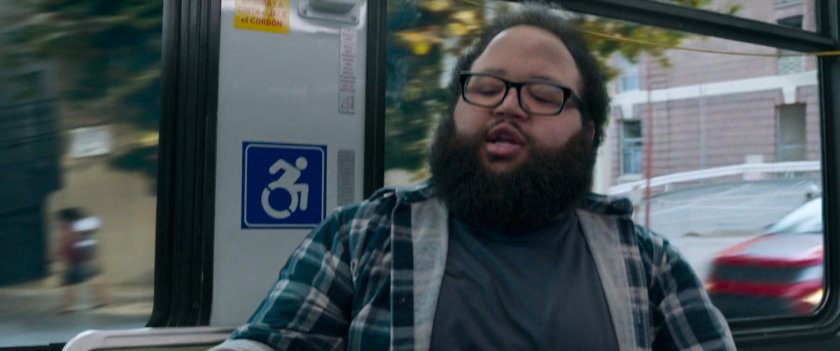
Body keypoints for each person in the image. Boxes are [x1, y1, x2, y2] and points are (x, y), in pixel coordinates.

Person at [213, 2, 735, 350]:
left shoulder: (649, 264)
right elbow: (268, 342)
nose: (507, 106)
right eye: (486, 87)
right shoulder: (360, 237)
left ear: (589, 131)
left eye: (543, 94)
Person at [57, 207, 111, 313]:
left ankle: (69, 306)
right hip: (86, 256)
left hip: (76, 258)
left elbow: (66, 244)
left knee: (69, 283)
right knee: (95, 277)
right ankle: (104, 300)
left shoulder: (68, 227)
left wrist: (62, 256)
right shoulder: (82, 224)